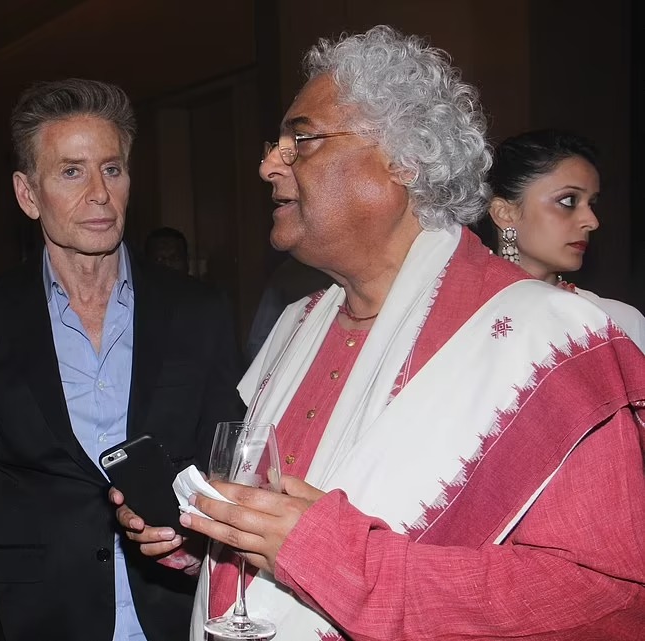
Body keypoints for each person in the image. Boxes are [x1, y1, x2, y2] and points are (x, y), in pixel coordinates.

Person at [116, 25, 645, 640]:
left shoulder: (553, 342)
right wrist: (204, 537)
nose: (267, 165)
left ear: (405, 161)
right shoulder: (298, 325)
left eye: (301, 140)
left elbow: (612, 600)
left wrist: (338, 558)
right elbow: (278, 528)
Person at [0, 78, 244, 641]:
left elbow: (229, 466)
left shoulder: (199, 311)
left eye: (112, 169)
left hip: (179, 613)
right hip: (36, 621)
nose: (99, 193)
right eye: (71, 171)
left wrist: (202, 546)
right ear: (28, 195)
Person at [481, 128, 645, 349]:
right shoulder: (457, 314)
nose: (592, 221)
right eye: (568, 201)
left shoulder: (617, 323)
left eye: (592, 203)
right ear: (504, 213)